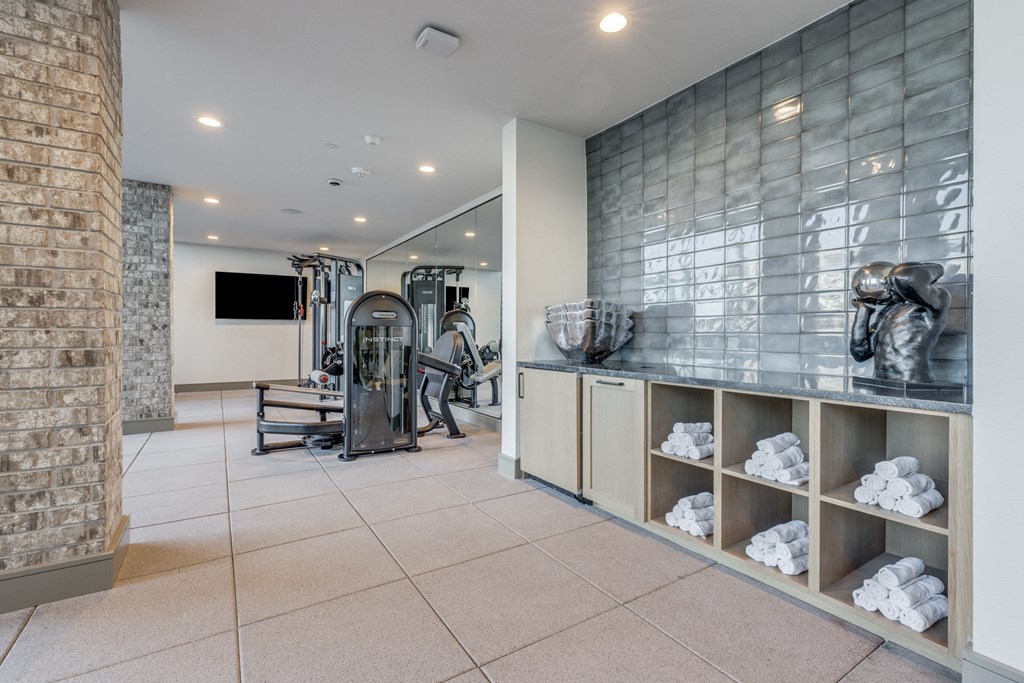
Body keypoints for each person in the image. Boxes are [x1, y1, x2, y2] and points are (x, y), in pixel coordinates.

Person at [849, 261, 950, 383]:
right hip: (881, 383)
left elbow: (903, 277)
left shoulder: (934, 303)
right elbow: (860, 353)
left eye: (889, 281)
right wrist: (863, 311)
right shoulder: (887, 312)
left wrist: (939, 269)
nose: (886, 286)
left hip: (912, 382)